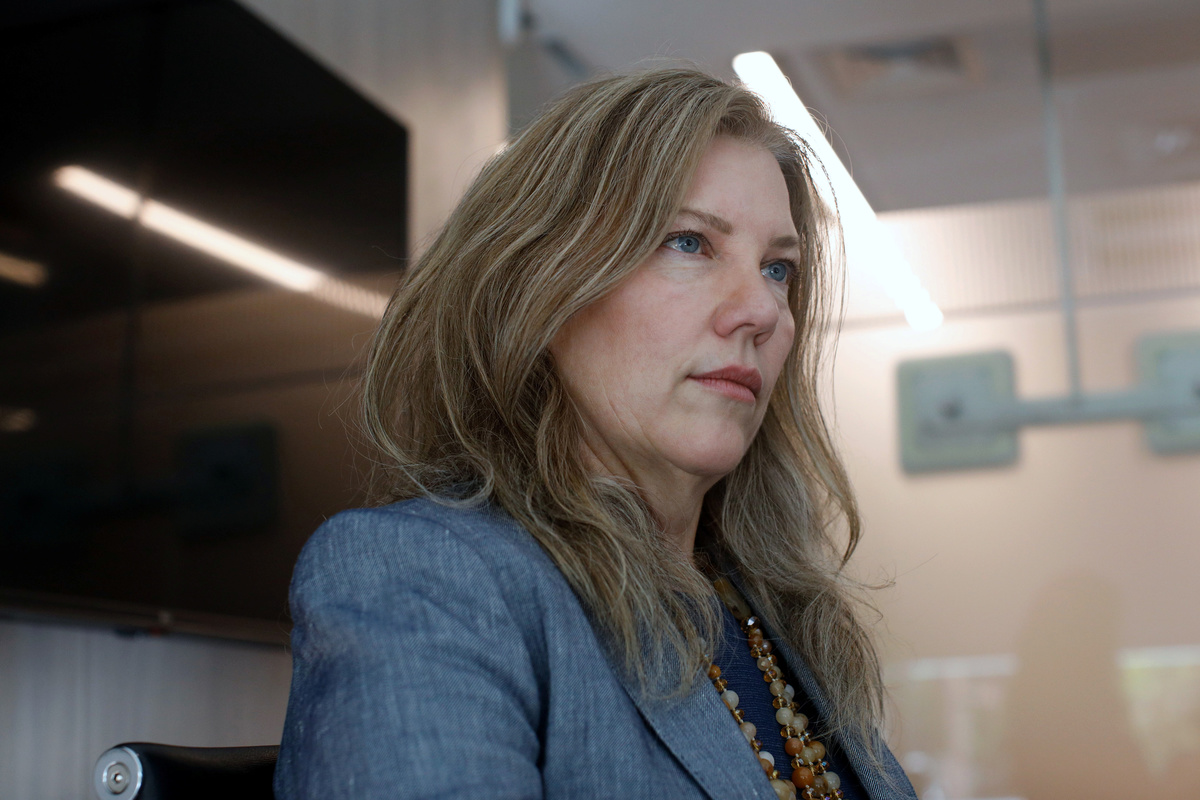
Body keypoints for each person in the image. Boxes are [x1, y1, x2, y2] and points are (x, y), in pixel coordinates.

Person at [274, 67, 916, 800]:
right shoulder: (423, 578)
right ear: (539, 284)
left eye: (778, 268)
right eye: (689, 243)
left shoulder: (774, 615)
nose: (762, 311)